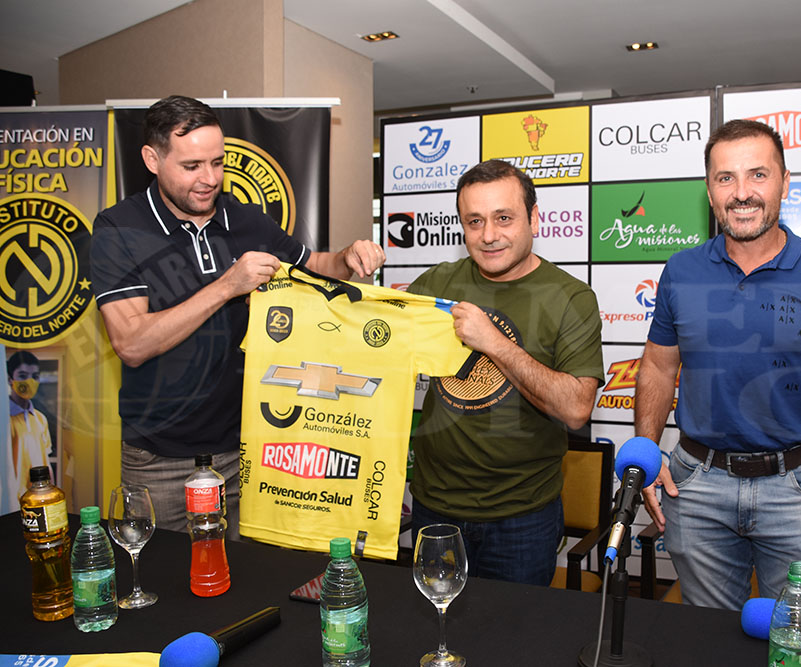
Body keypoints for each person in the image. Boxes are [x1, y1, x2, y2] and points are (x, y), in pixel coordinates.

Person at [91, 95, 384, 537]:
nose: (209, 179)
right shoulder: (118, 228)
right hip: (161, 460)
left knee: (246, 573)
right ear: (152, 159)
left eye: (218, 163)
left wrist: (348, 257)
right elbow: (131, 343)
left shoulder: (246, 220)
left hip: (246, 448)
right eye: (192, 166)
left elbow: (314, 266)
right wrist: (227, 286)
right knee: (162, 575)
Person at [635, 119, 801, 609]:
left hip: (800, 491)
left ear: (785, 183)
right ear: (709, 190)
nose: (741, 193)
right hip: (696, 488)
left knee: (798, 638)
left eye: (758, 175)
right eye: (725, 178)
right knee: (706, 636)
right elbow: (658, 369)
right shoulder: (681, 271)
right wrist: (646, 449)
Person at [407, 159, 603, 585]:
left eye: (503, 218)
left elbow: (575, 409)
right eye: (475, 221)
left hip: (522, 518)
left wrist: (493, 342)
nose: (489, 235)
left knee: (514, 628)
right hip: (435, 506)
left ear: (534, 218)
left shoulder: (571, 297)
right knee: (435, 619)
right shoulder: (434, 285)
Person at [7, 350, 54, 499]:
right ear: (10, 379)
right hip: (13, 502)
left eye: (35, 376)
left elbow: (46, 463)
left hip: (39, 498)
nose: (29, 381)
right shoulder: (4, 419)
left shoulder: (40, 419)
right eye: (22, 376)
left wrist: (52, 493)